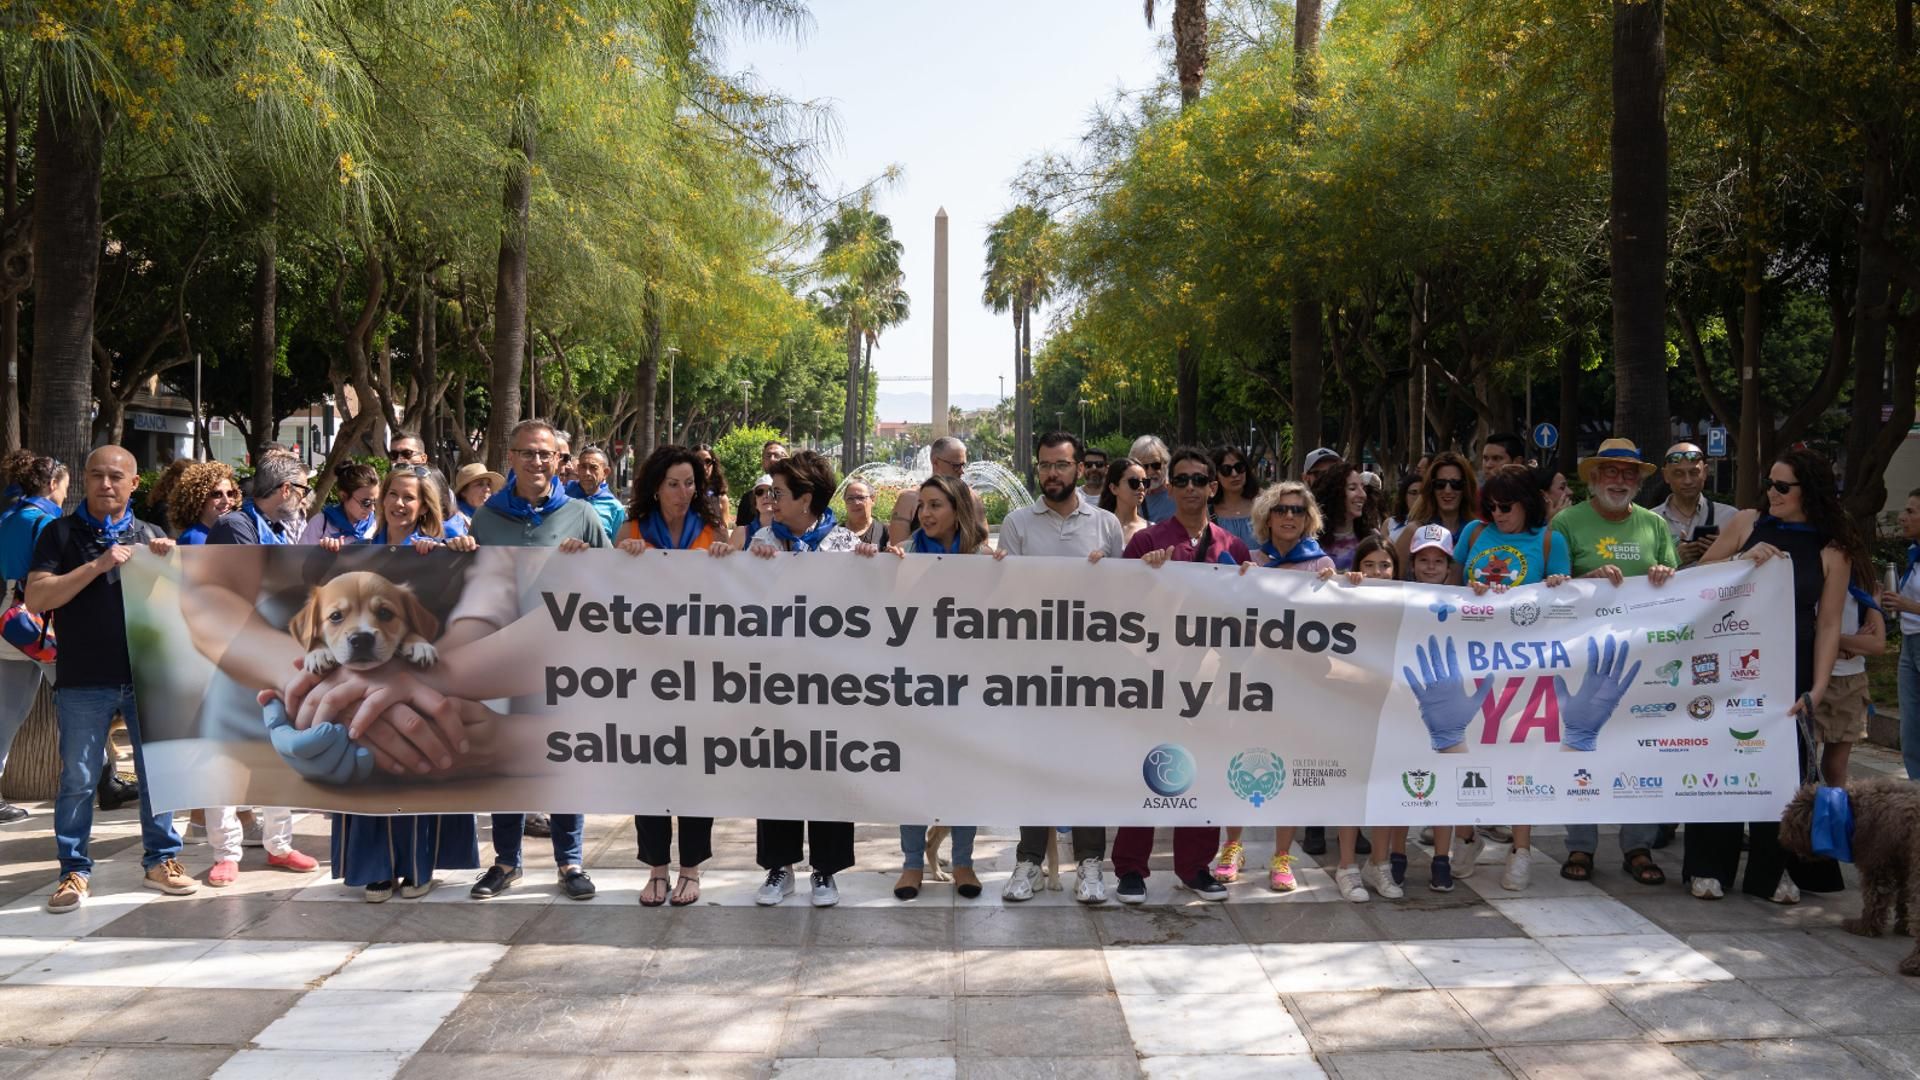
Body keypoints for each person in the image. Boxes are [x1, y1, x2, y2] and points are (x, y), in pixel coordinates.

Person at [1684, 448, 1860, 904]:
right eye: (1769, 483)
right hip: (1730, 661)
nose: (1772, 493)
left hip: (1791, 667)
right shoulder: (1745, 522)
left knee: (1783, 770)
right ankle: (1707, 866)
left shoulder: (1832, 549)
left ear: (1810, 491)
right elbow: (1698, 580)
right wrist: (1743, 561)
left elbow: (1828, 623)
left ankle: (1773, 868)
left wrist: (1818, 688)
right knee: (1720, 763)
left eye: (1783, 486)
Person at [25, 446, 196, 912]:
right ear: (84, 479)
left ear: (134, 483)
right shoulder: (59, 533)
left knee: (156, 775)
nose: (106, 484)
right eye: (97, 475)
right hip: (83, 680)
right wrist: (97, 565)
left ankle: (162, 860)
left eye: (116, 476)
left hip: (145, 677)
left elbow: (177, 606)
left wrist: (171, 563)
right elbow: (37, 598)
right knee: (78, 779)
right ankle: (74, 871)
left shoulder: (151, 533)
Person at [467, 419, 608, 902]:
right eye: (526, 453)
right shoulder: (486, 519)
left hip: (564, 662)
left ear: (559, 460)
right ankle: (506, 861)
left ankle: (570, 861)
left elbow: (611, 586)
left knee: (563, 759)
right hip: (503, 660)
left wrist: (586, 560)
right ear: (510, 458)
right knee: (508, 760)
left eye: (545, 454)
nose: (536, 462)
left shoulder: (583, 515)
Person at [1112, 447, 1250, 904]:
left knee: (1204, 769)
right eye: (1182, 480)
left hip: (1209, 684)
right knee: (1144, 769)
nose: (1191, 488)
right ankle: (1131, 869)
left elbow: (1250, 614)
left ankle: (1195, 867)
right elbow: (1118, 612)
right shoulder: (1145, 544)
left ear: (1213, 487)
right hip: (1153, 678)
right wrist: (1146, 577)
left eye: (1199, 480)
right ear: (1168, 489)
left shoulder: (1234, 548)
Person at [994, 432, 1127, 905]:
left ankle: (1090, 863)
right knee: (1037, 765)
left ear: (1079, 470)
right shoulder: (1017, 524)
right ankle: (1028, 861)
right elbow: (1008, 598)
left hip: (1092, 672)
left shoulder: (1107, 525)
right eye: (1046, 465)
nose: (1053, 473)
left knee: (1086, 765)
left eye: (1062, 465)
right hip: (1034, 671)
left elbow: (1123, 602)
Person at [1546, 439, 1677, 889]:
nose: (1620, 481)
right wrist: (1588, 580)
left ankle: (1636, 845)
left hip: (1643, 660)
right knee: (1581, 746)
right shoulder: (1566, 522)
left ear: (1639, 482)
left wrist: (1663, 575)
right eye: (1611, 472)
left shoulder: (1654, 526)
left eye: (1629, 474)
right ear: (1595, 478)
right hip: (1583, 659)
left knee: (1640, 750)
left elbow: (1676, 585)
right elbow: (1554, 588)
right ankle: (1580, 843)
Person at [750, 450, 872, 907]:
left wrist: (874, 565)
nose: (771, 501)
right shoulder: (764, 539)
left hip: (830, 687)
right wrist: (747, 562)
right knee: (777, 771)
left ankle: (825, 870)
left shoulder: (844, 545)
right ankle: (778, 868)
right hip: (775, 683)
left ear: (806, 498)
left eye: (779, 493)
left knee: (827, 772)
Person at [615, 445, 735, 906]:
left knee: (694, 775)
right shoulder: (631, 530)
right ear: (655, 486)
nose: (683, 493)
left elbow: (732, 597)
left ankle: (691, 869)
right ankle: (656, 870)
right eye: (673, 484)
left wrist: (729, 558)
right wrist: (620, 560)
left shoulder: (712, 531)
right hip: (644, 675)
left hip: (700, 675)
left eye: (690, 483)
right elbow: (604, 592)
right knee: (650, 773)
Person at [1452, 463, 1573, 892]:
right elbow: (1448, 588)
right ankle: (1466, 837)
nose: (1497, 514)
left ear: (1528, 504)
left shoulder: (1549, 541)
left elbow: (1565, 603)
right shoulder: (1473, 533)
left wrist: (1558, 585)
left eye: (1506, 507)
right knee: (1462, 750)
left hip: (1525, 667)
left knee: (1520, 758)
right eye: (1491, 506)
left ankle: (1520, 850)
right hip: (1471, 661)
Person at [885, 474, 990, 901]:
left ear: (957, 510)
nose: (925, 514)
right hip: (915, 688)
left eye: (935, 506)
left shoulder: (984, 559)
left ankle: (963, 861)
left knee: (964, 776)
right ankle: (911, 864)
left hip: (968, 690)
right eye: (921, 506)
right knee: (912, 775)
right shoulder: (904, 556)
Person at [1319, 535, 1417, 896]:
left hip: (1396, 708)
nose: (1378, 572)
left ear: (1397, 569)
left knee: (1388, 785)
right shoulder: (1347, 598)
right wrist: (1337, 585)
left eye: (1385, 565)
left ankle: (1380, 864)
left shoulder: (1412, 602)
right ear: (1357, 567)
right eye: (1369, 564)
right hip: (1352, 706)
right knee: (1353, 785)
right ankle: (1346, 866)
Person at [1403, 523, 1480, 889]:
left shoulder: (1467, 600)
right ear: (1412, 564)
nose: (1431, 566)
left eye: (1438, 560)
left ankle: (1441, 859)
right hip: (1402, 698)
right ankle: (1395, 856)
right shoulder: (1392, 596)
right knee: (1402, 778)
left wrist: (1490, 594)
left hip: (1447, 704)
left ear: (1450, 566)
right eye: (1423, 560)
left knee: (1447, 782)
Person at [0, 455, 67, 824]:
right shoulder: (47, 521)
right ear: (53, 484)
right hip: (44, 618)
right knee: (78, 699)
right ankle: (103, 778)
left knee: (7, 711)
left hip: (10, 616)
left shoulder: (9, 516)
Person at [1883, 489, 1920, 779]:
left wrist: (1908, 605)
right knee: (1910, 729)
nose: (1903, 517)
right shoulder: (1913, 553)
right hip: (1909, 643)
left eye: (1911, 512)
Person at [1653, 442, 1735, 568]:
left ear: (1705, 472)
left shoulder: (1731, 518)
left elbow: (1748, 563)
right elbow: (1637, 572)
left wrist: (1722, 552)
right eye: (1678, 473)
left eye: (1694, 472)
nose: (1687, 481)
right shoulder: (1649, 521)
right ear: (1666, 475)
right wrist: (1672, 560)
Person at [889, 436, 983, 544]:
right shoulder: (908, 499)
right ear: (935, 463)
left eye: (963, 465)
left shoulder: (972, 499)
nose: (962, 471)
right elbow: (897, 552)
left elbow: (981, 551)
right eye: (956, 465)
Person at [1392, 452, 1476, 571]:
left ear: (1466, 488)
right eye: (1440, 484)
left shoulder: (1476, 532)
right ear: (1431, 488)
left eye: (1456, 484)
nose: (1447, 490)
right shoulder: (1413, 531)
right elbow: (1391, 581)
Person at [209, 455, 309, 546]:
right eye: (304, 491)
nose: (304, 500)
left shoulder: (275, 528)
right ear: (286, 489)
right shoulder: (234, 526)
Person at [1311, 462, 1377, 571]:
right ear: (1334, 494)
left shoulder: (1372, 538)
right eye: (1352, 488)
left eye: (1363, 488)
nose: (1362, 495)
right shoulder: (1309, 540)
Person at [297, 462, 380, 545]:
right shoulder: (321, 523)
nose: (372, 508)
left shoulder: (375, 525)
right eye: (366, 502)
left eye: (375, 502)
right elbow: (301, 556)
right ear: (344, 496)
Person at [167, 462, 239, 546]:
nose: (226, 501)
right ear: (199, 499)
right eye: (217, 494)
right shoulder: (195, 538)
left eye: (230, 494)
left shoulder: (229, 532)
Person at [568, 446, 626, 541]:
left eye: (593, 468)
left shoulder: (615, 508)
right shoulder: (563, 497)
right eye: (583, 467)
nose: (587, 473)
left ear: (605, 472)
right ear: (578, 469)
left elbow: (617, 547)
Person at [734, 440, 788, 529]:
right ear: (762, 461)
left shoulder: (798, 494)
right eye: (768, 456)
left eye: (777, 455)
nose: (772, 459)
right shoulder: (748, 499)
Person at [1210, 445, 1257, 548]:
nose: (1234, 474)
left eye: (1239, 467)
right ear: (1216, 474)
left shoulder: (1263, 508)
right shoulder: (1207, 513)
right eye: (1226, 470)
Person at [1099, 456, 1151, 544]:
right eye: (1134, 482)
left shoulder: (1152, 529)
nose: (1141, 487)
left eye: (1145, 482)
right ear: (1114, 488)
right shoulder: (1096, 527)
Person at [450, 462, 505, 532]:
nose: (487, 489)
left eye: (488, 484)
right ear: (463, 492)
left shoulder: (493, 515)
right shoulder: (455, 520)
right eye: (480, 484)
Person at [1130, 435, 1173, 522]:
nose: (1150, 472)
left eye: (1156, 465)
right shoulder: (1129, 498)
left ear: (1165, 463)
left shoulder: (1179, 495)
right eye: (1144, 466)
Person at [729, 474, 775, 550]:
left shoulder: (791, 532)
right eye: (759, 492)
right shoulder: (741, 532)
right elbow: (727, 561)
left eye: (771, 491)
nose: (765, 496)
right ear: (755, 502)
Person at [841, 479, 888, 548]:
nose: (855, 503)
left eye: (860, 498)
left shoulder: (884, 532)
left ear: (873, 499)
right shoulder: (834, 534)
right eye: (850, 498)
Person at [1387, 472, 1422, 537]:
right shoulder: (1390, 523)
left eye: (1422, 493)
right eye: (1414, 493)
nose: (1418, 498)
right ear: (1404, 496)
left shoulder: (1432, 526)